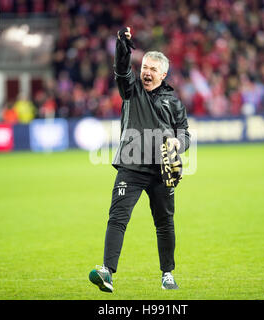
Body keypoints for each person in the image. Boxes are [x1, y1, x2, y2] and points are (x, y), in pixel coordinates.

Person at [89, 27, 190, 292]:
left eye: (153, 69)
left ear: (163, 74)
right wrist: (122, 45)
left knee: (164, 223)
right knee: (118, 217)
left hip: (162, 169)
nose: (146, 72)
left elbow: (185, 133)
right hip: (131, 166)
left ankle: (167, 273)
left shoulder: (174, 101)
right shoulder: (131, 89)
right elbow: (122, 69)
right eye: (144, 66)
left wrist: (180, 143)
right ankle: (107, 272)